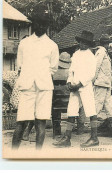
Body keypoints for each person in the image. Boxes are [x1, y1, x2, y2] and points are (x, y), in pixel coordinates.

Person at [12, 6, 59, 150]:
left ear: (47, 25)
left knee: (40, 122)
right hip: (27, 87)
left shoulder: (52, 45)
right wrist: (29, 77)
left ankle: (38, 157)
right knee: (21, 122)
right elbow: (19, 65)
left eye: (44, 24)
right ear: (33, 24)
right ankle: (13, 154)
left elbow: (53, 68)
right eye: (38, 22)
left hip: (44, 88)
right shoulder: (24, 43)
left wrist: (41, 77)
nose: (41, 26)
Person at [53, 30, 97, 148]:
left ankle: (94, 137)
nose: (83, 44)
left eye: (86, 43)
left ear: (89, 44)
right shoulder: (76, 54)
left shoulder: (91, 56)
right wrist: (69, 82)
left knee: (90, 110)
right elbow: (71, 70)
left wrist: (80, 84)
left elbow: (91, 74)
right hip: (73, 87)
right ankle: (67, 138)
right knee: (71, 111)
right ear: (79, 42)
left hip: (84, 86)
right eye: (82, 42)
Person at [93, 34, 112, 121]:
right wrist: (94, 80)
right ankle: (93, 121)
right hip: (101, 82)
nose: (108, 45)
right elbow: (96, 66)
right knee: (98, 102)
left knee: (108, 102)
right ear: (105, 44)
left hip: (106, 82)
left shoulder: (105, 52)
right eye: (107, 43)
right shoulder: (100, 52)